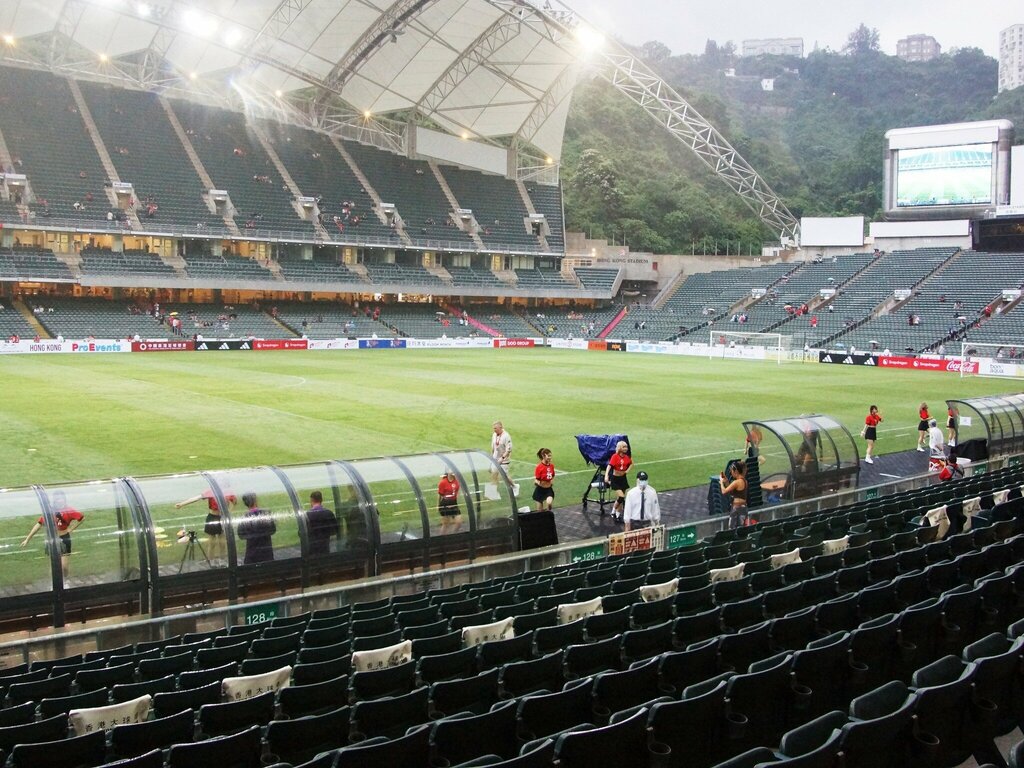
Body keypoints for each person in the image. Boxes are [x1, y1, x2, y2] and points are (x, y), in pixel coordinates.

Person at [21, 491, 83, 579]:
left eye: (61, 499)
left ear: (64, 500)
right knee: (54, 566)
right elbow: (39, 524)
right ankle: (54, 585)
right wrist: (27, 539)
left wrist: (71, 529)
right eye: (57, 499)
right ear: (54, 501)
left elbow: (81, 518)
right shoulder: (50, 511)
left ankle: (65, 581)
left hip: (64, 539)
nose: (59, 501)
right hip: (52, 539)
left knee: (64, 567)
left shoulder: (69, 510)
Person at [175, 487, 236, 560]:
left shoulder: (227, 491)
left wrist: (228, 512)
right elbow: (197, 498)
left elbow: (234, 501)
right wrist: (182, 504)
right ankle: (211, 561)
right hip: (212, 518)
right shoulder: (212, 491)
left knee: (222, 543)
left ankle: (223, 561)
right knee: (212, 543)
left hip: (222, 518)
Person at [236, 492, 276, 564]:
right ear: (255, 500)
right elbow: (273, 530)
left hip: (252, 556)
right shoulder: (265, 514)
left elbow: (241, 535)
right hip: (267, 554)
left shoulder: (245, 518)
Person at [604, 441, 632, 523]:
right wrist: (606, 476)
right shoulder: (615, 456)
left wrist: (626, 471)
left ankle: (617, 515)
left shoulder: (627, 457)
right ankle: (613, 511)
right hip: (615, 479)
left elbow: (631, 464)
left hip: (623, 479)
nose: (625, 448)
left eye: (626, 447)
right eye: (623, 447)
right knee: (621, 497)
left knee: (620, 499)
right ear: (619, 448)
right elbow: (609, 466)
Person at [306, 490, 339, 556]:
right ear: (321, 500)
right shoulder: (329, 513)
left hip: (312, 548)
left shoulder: (307, 515)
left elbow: (303, 533)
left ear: (312, 500)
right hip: (325, 546)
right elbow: (334, 530)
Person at [487, 421, 512, 500]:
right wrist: (491, 459)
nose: (494, 430)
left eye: (495, 428)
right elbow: (493, 447)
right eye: (493, 428)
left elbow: (509, 449)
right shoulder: (494, 435)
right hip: (495, 459)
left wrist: (502, 458)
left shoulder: (506, 436)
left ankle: (514, 486)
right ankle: (493, 494)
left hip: (504, 460)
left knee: (506, 477)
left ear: (500, 427)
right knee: (494, 475)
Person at [719, 461, 748, 529]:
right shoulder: (744, 481)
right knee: (741, 529)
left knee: (732, 529)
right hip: (743, 508)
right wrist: (726, 481)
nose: (731, 473)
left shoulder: (737, 482)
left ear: (736, 471)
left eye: (732, 471)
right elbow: (733, 492)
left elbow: (724, 491)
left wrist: (721, 483)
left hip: (737, 508)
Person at [533, 448, 555, 512]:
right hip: (540, 490)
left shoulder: (551, 466)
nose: (550, 457)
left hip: (548, 490)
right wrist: (536, 482)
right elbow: (537, 479)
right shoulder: (539, 467)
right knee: (539, 511)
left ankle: (548, 514)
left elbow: (553, 475)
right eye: (548, 456)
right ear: (543, 456)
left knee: (549, 503)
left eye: (550, 456)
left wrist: (551, 481)